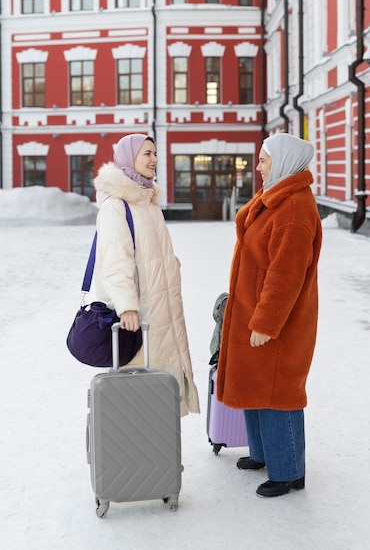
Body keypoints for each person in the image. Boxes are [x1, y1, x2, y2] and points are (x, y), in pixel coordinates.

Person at [216, 132, 322, 497]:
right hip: (252, 310)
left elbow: (285, 276)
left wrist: (266, 322)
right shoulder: (276, 198)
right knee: (254, 384)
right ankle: (263, 454)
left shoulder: (293, 209)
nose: (258, 167)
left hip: (277, 321)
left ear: (285, 161)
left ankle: (289, 471)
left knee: (278, 392)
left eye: (264, 160)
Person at [93, 133, 200, 417]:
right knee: (141, 392)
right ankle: (137, 454)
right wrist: (127, 306)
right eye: (147, 154)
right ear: (130, 158)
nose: (154, 160)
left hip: (162, 309)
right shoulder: (117, 206)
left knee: (162, 387)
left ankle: (159, 453)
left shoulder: (149, 202)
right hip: (139, 317)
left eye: (155, 154)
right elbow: (116, 261)